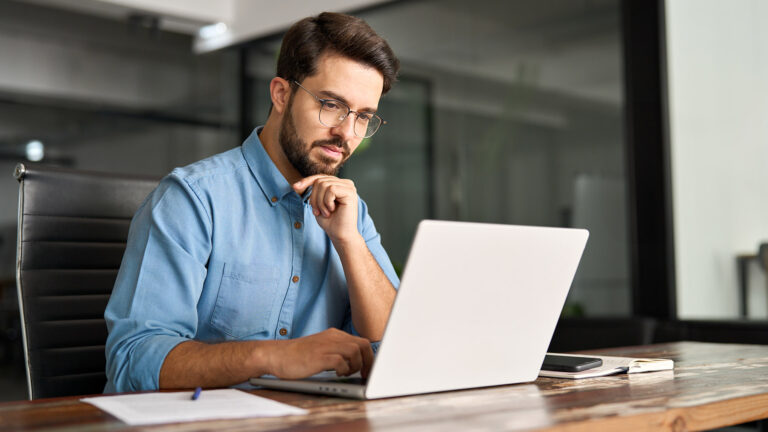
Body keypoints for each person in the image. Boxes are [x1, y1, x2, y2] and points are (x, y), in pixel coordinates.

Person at [104, 12, 400, 393]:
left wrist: (350, 243)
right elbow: (133, 359)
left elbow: (393, 349)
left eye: (363, 116)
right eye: (331, 104)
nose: (346, 131)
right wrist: (272, 357)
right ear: (281, 94)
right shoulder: (192, 199)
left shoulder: (352, 216)